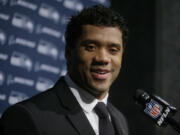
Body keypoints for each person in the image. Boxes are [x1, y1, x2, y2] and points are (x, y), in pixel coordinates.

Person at [0, 5, 129, 135]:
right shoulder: (26, 117)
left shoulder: (119, 119)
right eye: (91, 47)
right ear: (68, 52)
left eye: (113, 50)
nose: (103, 59)